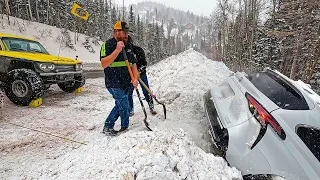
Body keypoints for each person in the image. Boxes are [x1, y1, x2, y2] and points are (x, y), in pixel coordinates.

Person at [100, 21, 139, 136]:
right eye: (124, 32)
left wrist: (135, 78)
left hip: (126, 82)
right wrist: (117, 50)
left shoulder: (128, 46)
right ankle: (111, 126)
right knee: (124, 102)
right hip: (113, 82)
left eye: (127, 33)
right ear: (116, 31)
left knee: (121, 104)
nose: (127, 35)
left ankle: (122, 127)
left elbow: (133, 64)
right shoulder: (107, 45)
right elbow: (103, 64)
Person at [127, 35, 157, 116]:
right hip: (130, 76)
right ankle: (130, 109)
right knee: (129, 93)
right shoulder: (123, 53)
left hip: (141, 74)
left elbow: (144, 63)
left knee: (146, 91)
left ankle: (151, 106)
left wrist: (138, 71)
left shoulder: (138, 50)